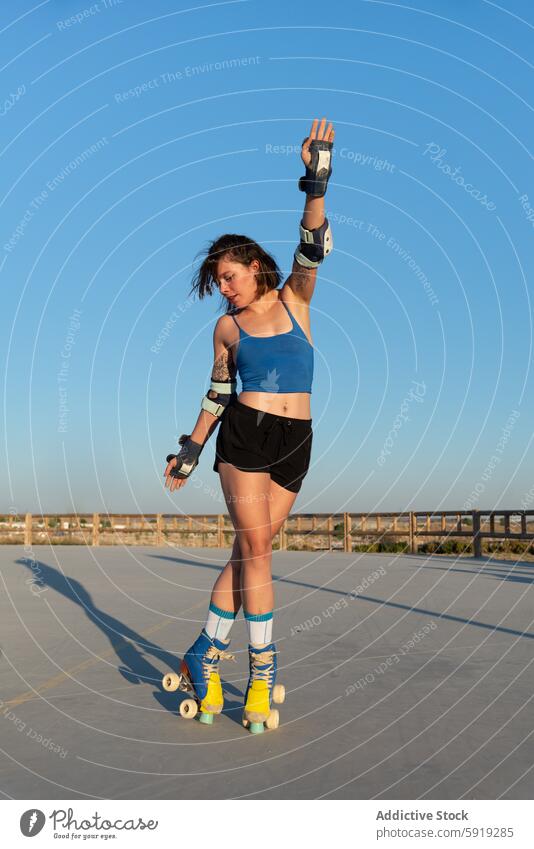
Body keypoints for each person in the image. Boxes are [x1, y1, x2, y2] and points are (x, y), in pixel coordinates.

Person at [164, 117, 335, 733]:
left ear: (254, 266)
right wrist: (190, 449)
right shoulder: (227, 330)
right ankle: (261, 672)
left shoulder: (294, 300)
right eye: (217, 284)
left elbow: (310, 247)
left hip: (296, 440)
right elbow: (215, 393)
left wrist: (316, 181)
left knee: (248, 552)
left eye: (229, 277)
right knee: (259, 550)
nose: (224, 290)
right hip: (244, 436)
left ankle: (204, 652)